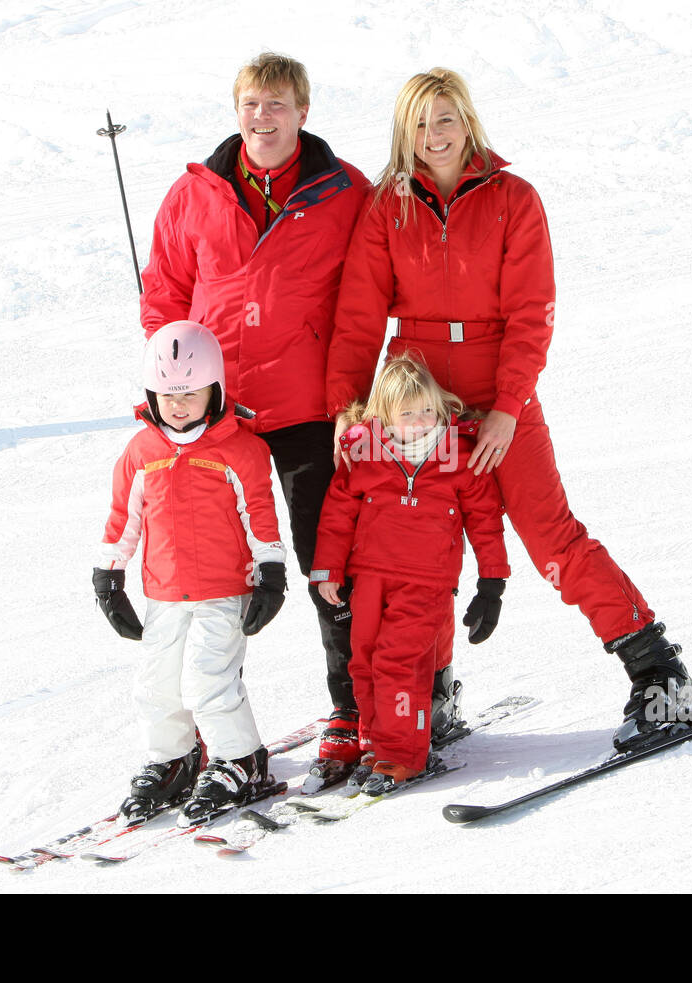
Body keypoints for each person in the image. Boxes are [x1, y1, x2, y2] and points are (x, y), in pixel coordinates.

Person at [326, 69, 692, 745]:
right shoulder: (389, 208)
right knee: (418, 551)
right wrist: (348, 409)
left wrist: (507, 406)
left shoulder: (513, 200)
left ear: (468, 121)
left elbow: (531, 313)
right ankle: (431, 693)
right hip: (417, 406)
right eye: (419, 123)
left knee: (551, 536)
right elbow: (359, 316)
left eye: (445, 119)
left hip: (498, 397)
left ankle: (659, 672)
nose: (433, 135)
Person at [139, 53, 371, 774]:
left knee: (328, 562)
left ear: (303, 111)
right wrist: (169, 395)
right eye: (250, 104)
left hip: (307, 408)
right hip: (219, 412)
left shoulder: (345, 193)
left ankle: (356, 707)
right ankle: (217, 729)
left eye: (275, 104)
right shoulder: (195, 195)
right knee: (213, 574)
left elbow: (364, 302)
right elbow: (165, 298)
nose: (261, 118)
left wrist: (350, 399)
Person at [93, 321, 289, 827]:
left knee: (207, 677)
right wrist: (108, 579)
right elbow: (124, 519)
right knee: (155, 684)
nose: (176, 405)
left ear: (215, 390)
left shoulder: (240, 450)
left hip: (224, 591)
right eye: (165, 394)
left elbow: (260, 516)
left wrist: (271, 573)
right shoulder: (142, 451)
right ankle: (173, 760)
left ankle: (241, 760)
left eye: (190, 393)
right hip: (163, 592)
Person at [311, 354, 510, 795]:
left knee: (398, 664)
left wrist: (491, 582)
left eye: (427, 410)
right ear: (384, 417)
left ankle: (403, 755)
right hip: (370, 578)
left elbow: (485, 521)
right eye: (407, 413)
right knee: (363, 661)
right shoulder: (363, 454)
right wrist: (328, 569)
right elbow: (338, 512)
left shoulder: (458, 456)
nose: (420, 422)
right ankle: (374, 745)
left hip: (426, 581)